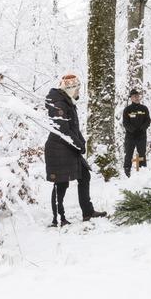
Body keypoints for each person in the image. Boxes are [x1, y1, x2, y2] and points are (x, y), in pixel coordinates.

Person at [44, 74, 107, 226]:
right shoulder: (58, 103)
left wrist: (81, 142)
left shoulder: (67, 101)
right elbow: (63, 130)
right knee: (61, 184)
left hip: (69, 147)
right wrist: (78, 144)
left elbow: (73, 127)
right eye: (77, 89)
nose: (79, 92)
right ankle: (59, 218)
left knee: (84, 176)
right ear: (70, 89)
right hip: (58, 148)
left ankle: (88, 212)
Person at [122, 88, 151, 177]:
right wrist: (133, 130)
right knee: (129, 154)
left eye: (137, 96)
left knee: (142, 153)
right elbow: (125, 123)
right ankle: (127, 172)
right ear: (131, 98)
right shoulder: (127, 109)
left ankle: (143, 172)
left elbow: (148, 120)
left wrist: (142, 129)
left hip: (141, 136)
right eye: (134, 96)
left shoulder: (144, 108)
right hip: (130, 137)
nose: (136, 98)